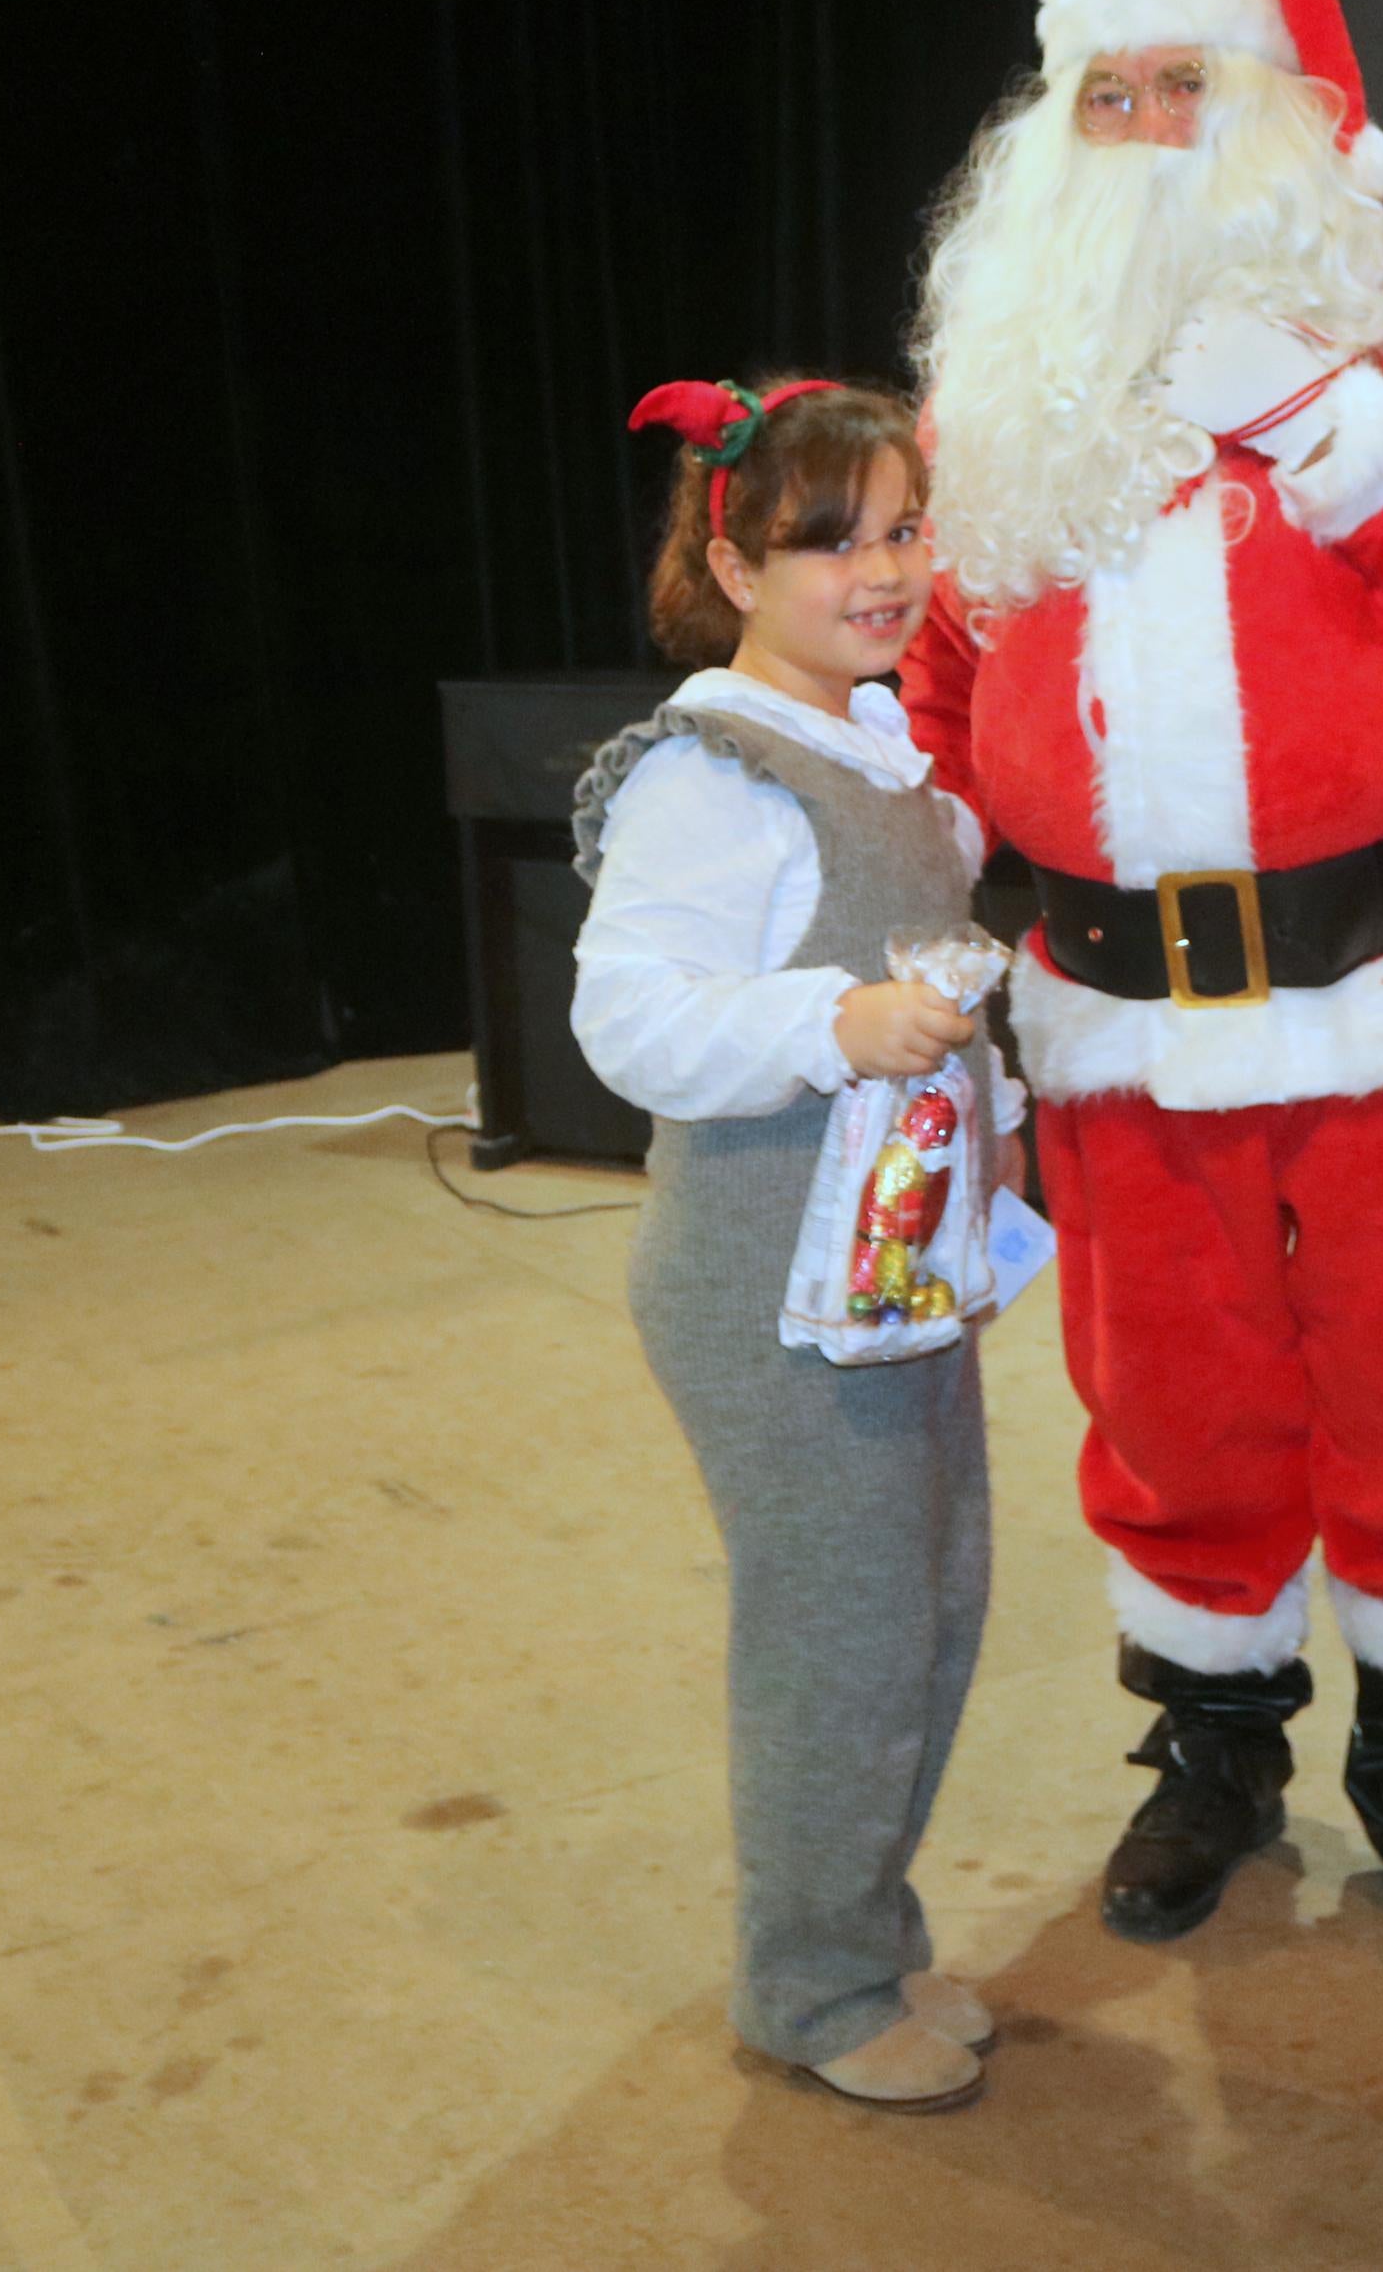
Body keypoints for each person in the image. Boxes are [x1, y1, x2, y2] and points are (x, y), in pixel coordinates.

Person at [897, 0, 1383, 1987]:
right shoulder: (1012, 345)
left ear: (1283, 96)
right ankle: (1212, 1748)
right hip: (1113, 1002)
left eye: (1178, 84)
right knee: (1172, 1397)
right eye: (1096, 97)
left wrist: (1319, 411)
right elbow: (953, 661)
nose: (1133, 135)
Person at [570, 374, 1002, 2113]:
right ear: (735, 566)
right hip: (768, 1283)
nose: (883, 571)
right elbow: (630, 1022)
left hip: (888, 1279)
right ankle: (810, 1991)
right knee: (838, 1631)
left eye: (904, 528)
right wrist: (839, 1025)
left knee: (927, 1610)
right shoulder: (711, 773)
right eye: (833, 542)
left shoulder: (880, 745)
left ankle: (865, 1936)